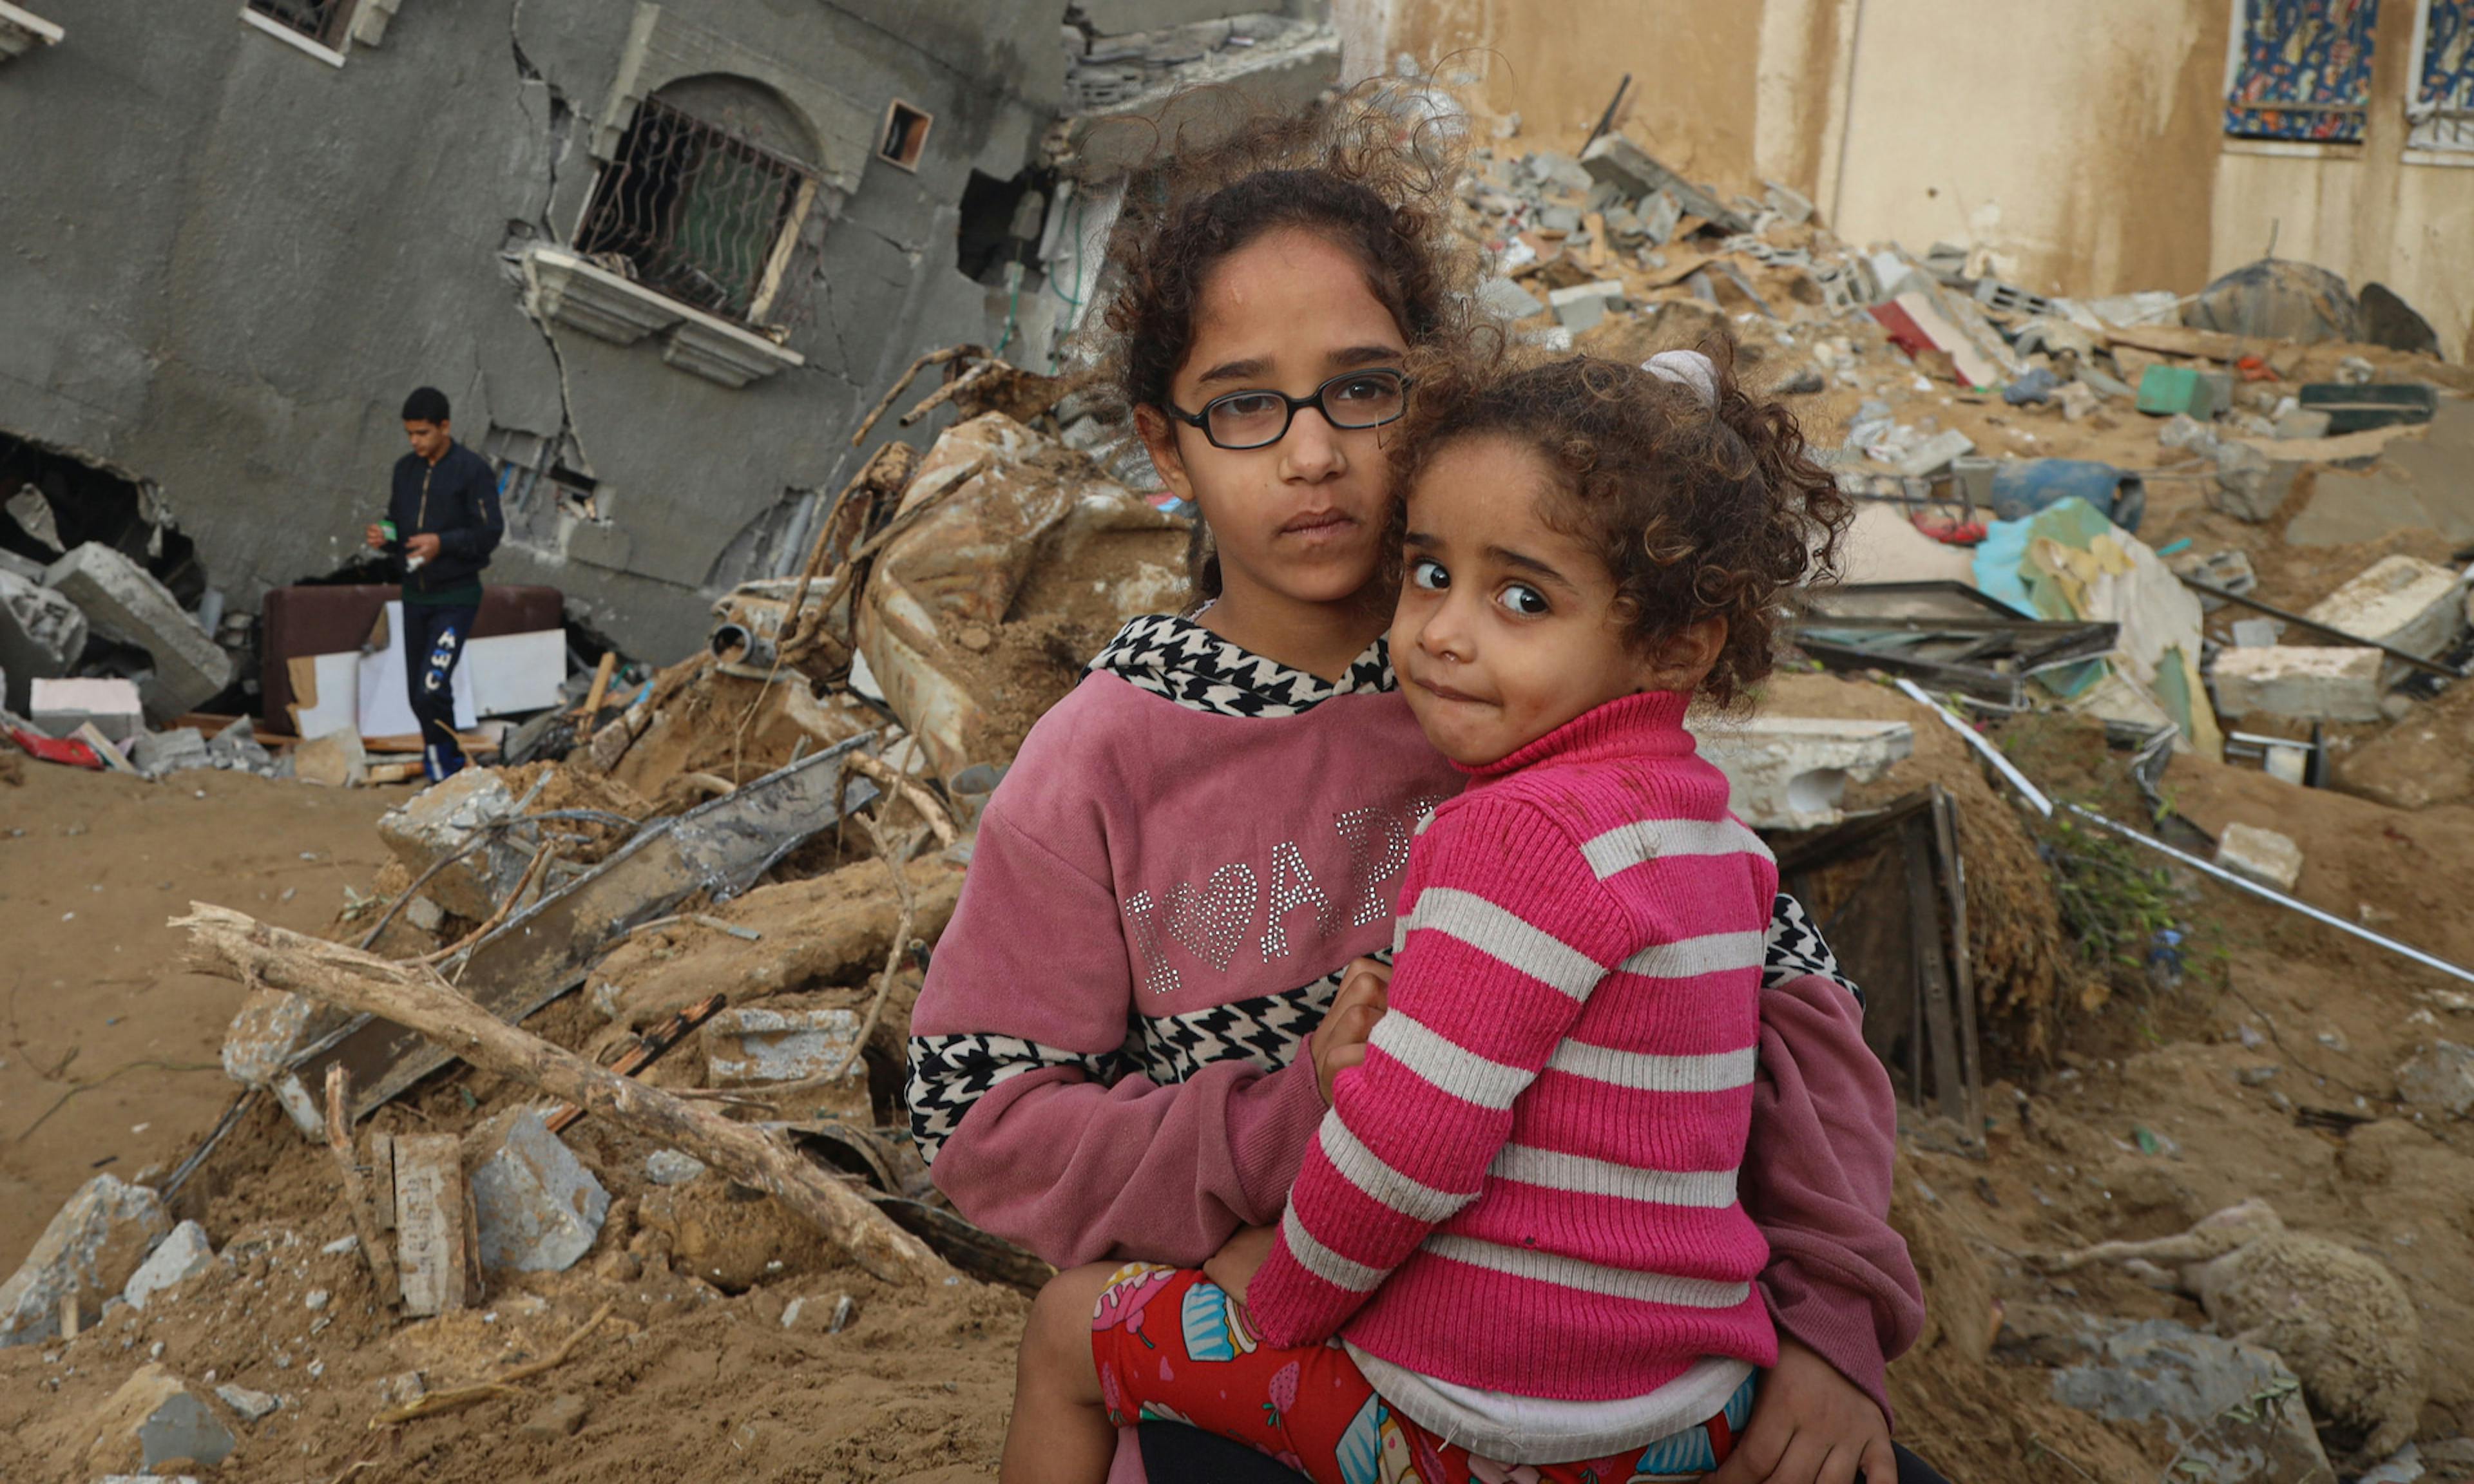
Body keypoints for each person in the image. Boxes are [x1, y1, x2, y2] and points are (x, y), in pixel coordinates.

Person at [907, 97, 1926, 1484]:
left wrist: (1832, 1321)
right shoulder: (1100, 765)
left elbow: (1791, 1023)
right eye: (1247, 405)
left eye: (1362, 389)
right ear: (1167, 446)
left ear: (1428, 398)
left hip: (1610, 1387)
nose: (1313, 453)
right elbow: (983, 1117)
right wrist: (1293, 1122)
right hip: (1285, 1386)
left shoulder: (1533, 693)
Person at [1002, 345, 1844, 1484]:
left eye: (1523, 597)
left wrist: (1286, 1288)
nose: (1444, 630)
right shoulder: (1720, 842)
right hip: (1683, 1406)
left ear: (1673, 648)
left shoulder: (1513, 833)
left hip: (1478, 1422)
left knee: (1067, 1325)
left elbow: (1409, 1147)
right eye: (1429, 572)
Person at [363, 386, 502, 783]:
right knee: (417, 696)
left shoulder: (472, 470)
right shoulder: (404, 470)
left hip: (456, 597)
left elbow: (490, 531)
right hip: (415, 597)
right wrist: (384, 536)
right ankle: (442, 769)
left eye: (423, 433)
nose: (415, 442)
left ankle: (448, 769)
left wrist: (443, 543)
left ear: (445, 426)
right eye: (410, 434)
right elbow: (397, 521)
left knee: (430, 688)